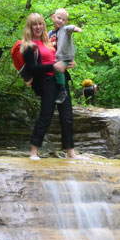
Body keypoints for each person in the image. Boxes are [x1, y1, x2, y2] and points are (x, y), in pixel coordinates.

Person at [19, 13, 79, 160]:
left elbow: (60, 59)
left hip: (61, 80)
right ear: (29, 27)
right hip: (46, 82)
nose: (38, 27)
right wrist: (53, 67)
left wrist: (68, 64)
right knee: (46, 115)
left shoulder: (49, 42)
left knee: (67, 116)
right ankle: (34, 151)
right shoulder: (28, 46)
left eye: (40, 24)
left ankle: (70, 152)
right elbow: (33, 68)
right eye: (35, 24)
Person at [49, 8, 81, 104]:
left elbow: (69, 28)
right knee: (56, 67)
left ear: (66, 21)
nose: (61, 21)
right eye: (59, 18)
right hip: (56, 58)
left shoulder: (64, 30)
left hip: (65, 57)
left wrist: (75, 28)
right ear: (53, 17)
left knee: (58, 67)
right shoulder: (50, 33)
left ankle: (62, 90)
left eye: (63, 20)